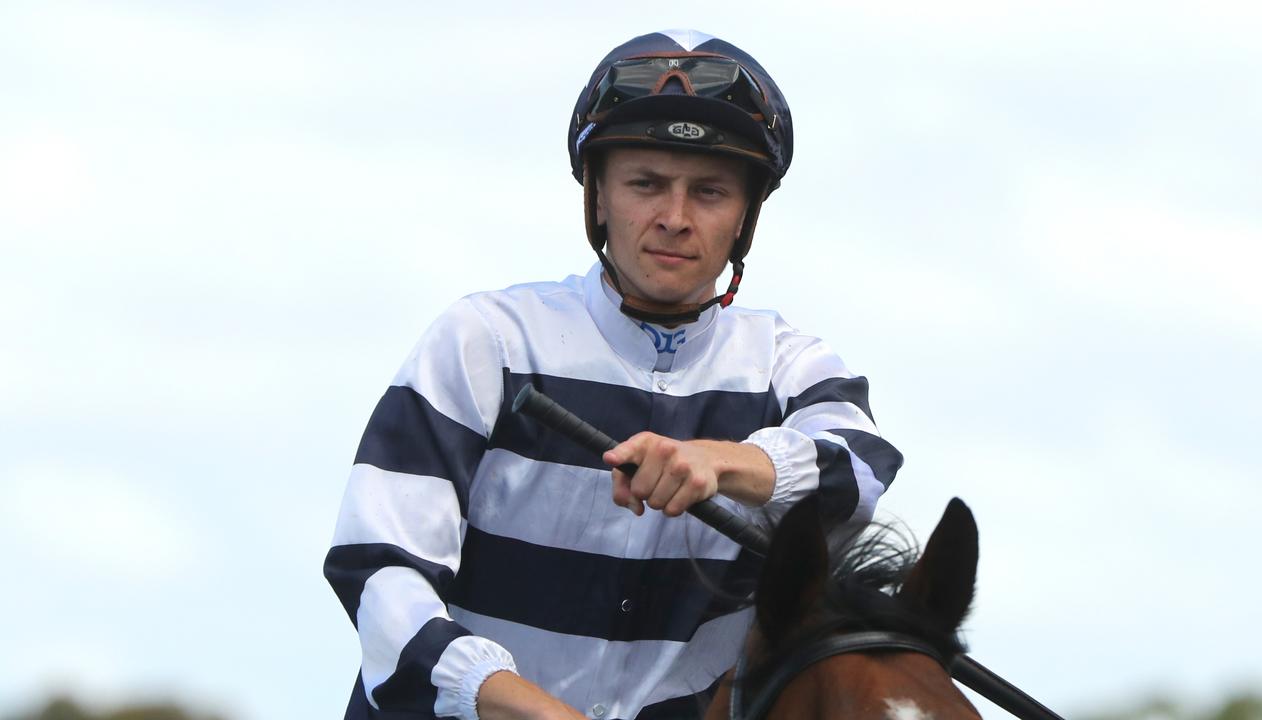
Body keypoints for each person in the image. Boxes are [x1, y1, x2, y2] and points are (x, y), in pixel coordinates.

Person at [324, 29, 903, 720]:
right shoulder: (486, 339)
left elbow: (861, 469)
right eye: (646, 184)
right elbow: (378, 570)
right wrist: (530, 708)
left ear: (746, 216)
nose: (675, 218)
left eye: (710, 191)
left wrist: (718, 463)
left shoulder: (789, 363)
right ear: (599, 198)